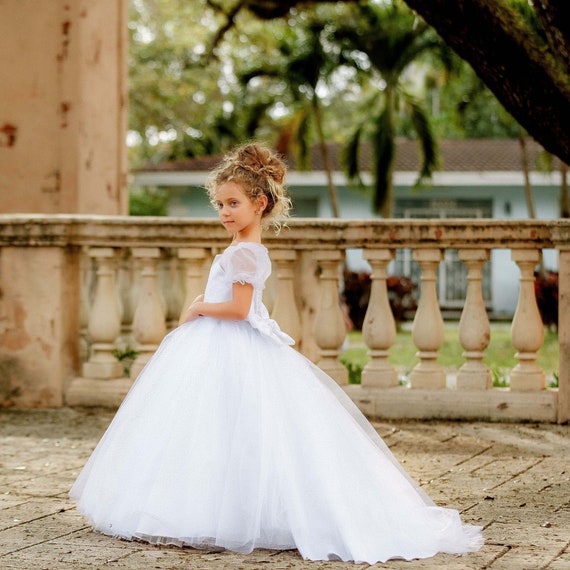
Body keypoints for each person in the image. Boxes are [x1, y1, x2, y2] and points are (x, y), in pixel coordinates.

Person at [70, 143, 483, 564]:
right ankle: (219, 506)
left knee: (229, 428)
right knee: (219, 428)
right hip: (222, 345)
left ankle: (226, 511)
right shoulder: (241, 249)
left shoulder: (246, 252)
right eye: (220, 204)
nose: (224, 212)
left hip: (229, 341)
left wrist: (199, 306)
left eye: (233, 203)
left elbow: (239, 309)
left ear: (260, 203)